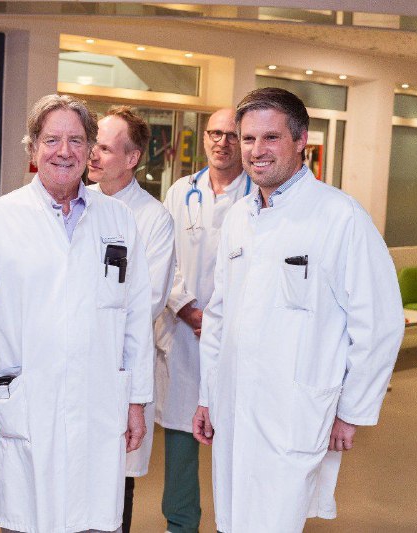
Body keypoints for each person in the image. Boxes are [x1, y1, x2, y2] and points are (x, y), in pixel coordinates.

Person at [193, 87, 404, 532]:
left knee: (276, 520)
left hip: (294, 409)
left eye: (270, 137)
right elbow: (219, 316)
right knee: (233, 518)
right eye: (248, 139)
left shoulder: (340, 216)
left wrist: (351, 410)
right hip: (234, 403)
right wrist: (208, 396)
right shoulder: (238, 218)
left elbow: (379, 323)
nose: (256, 150)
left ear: (300, 139)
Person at [0, 94, 154, 533]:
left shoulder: (119, 220)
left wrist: (136, 401)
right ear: (33, 147)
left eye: (77, 140)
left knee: (94, 521)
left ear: (91, 149)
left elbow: (136, 319)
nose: (64, 151)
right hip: (26, 404)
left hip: (98, 403)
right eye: (52, 139)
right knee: (29, 519)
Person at [155, 108, 249, 533]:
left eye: (232, 135)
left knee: (238, 444)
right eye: (215, 133)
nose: (221, 142)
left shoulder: (257, 195)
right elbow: (163, 256)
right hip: (185, 330)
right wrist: (188, 308)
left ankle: (240, 523)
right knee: (179, 441)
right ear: (205, 137)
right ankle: (181, 525)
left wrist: (221, 320)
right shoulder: (181, 191)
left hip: (236, 335)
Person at [87, 106, 175, 533]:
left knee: (114, 486)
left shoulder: (153, 220)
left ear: (132, 158)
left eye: (104, 148)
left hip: (118, 369)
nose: (92, 154)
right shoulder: (75, 203)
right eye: (94, 144)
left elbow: (147, 302)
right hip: (70, 367)